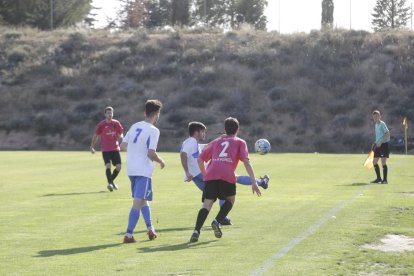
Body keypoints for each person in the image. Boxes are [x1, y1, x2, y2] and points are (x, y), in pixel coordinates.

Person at [180, 121, 270, 225]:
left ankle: (260, 182)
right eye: (203, 132)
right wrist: (187, 172)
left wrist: (221, 138)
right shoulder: (191, 142)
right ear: (196, 132)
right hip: (200, 173)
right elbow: (183, 154)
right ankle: (260, 182)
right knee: (226, 187)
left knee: (217, 193)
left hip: (197, 175)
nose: (204, 134)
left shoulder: (191, 142)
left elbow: (208, 146)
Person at [190, 117, 262, 242]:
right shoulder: (240, 142)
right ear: (238, 130)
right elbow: (246, 162)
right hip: (227, 174)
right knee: (230, 200)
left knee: (207, 203)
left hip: (211, 173)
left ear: (224, 129)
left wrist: (205, 174)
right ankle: (216, 221)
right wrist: (254, 182)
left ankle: (196, 230)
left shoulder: (217, 141)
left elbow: (200, 159)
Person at [121, 100, 165, 243]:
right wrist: (161, 161)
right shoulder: (153, 130)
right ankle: (128, 235)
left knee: (143, 200)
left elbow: (123, 145)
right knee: (137, 203)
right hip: (143, 171)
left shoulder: (135, 126)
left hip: (131, 169)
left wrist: (135, 152)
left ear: (145, 112)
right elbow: (152, 153)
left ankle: (151, 229)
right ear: (157, 114)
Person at [90, 106, 124, 192]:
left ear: (113, 114)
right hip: (105, 149)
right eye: (108, 113)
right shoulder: (102, 124)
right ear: (105, 114)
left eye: (111, 113)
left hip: (115, 148)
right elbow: (96, 135)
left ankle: (111, 181)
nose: (110, 114)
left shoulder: (116, 123)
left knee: (119, 167)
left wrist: (120, 137)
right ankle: (110, 184)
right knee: (108, 165)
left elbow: (121, 133)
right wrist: (92, 146)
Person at [370, 110, 390, 184]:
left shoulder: (382, 124)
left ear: (380, 116)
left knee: (383, 162)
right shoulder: (376, 125)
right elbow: (378, 136)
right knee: (374, 161)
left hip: (384, 145)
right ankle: (378, 178)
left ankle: (385, 180)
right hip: (378, 145)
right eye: (374, 117)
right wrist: (375, 142)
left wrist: (381, 142)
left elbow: (387, 134)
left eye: (377, 116)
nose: (375, 118)